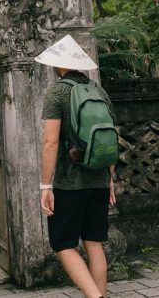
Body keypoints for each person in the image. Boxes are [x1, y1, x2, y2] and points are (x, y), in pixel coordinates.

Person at [37, 35, 116, 298]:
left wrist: (46, 185)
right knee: (94, 242)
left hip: (68, 184)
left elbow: (50, 141)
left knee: (63, 244)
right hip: (100, 179)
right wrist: (111, 179)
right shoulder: (99, 91)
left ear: (57, 66)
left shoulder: (56, 92)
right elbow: (111, 137)